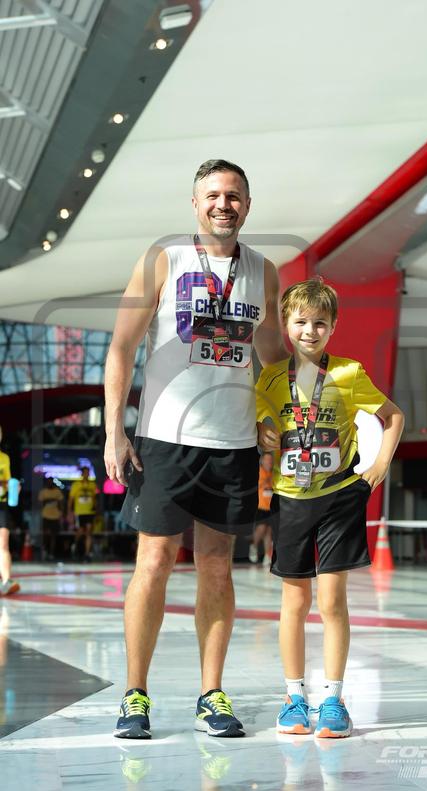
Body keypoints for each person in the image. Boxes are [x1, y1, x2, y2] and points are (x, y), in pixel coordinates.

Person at [104, 159, 287, 739]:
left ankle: (212, 694)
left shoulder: (263, 272)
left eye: (233, 196)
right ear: (195, 203)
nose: (222, 205)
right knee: (154, 563)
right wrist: (114, 430)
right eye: (212, 195)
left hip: (232, 443)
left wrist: (278, 413)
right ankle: (135, 694)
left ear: (247, 205)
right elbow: (121, 347)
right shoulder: (164, 258)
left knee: (215, 567)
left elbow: (272, 356)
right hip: (164, 438)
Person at [256, 279, 404, 738]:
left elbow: (393, 416)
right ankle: (294, 699)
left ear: (334, 326)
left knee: (332, 600)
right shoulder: (271, 378)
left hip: (339, 498)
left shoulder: (349, 373)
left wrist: (379, 465)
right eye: (301, 321)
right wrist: (263, 431)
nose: (310, 331)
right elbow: (259, 421)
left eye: (320, 323)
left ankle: (335, 700)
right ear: (286, 324)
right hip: (290, 501)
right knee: (295, 602)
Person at [0, 426, 20, 596]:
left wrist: (13, 487)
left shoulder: (4, 458)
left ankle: (6, 581)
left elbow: (7, 480)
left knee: (3, 542)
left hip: (2, 503)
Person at [248, 452, 274, 565]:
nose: (269, 462)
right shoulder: (259, 472)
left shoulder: (274, 473)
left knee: (269, 532)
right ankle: (253, 545)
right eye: (267, 460)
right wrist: (266, 480)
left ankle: (267, 556)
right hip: (260, 506)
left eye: (270, 460)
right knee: (261, 528)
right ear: (262, 461)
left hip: (271, 507)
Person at [67, 466, 97, 561]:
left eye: (88, 472)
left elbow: (94, 498)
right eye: (85, 472)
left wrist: (96, 508)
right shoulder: (76, 485)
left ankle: (87, 554)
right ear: (82, 474)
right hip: (79, 512)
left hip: (90, 512)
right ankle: (74, 545)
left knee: (89, 532)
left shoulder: (92, 485)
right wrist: (69, 512)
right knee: (80, 531)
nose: (87, 474)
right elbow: (71, 499)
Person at [39, 477, 64, 560]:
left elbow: (61, 503)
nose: (49, 483)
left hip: (55, 516)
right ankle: (44, 550)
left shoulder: (57, 492)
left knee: (53, 536)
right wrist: (48, 500)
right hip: (45, 516)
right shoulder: (43, 492)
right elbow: (40, 504)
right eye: (48, 482)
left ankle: (51, 553)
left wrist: (61, 513)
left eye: (51, 482)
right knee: (45, 534)